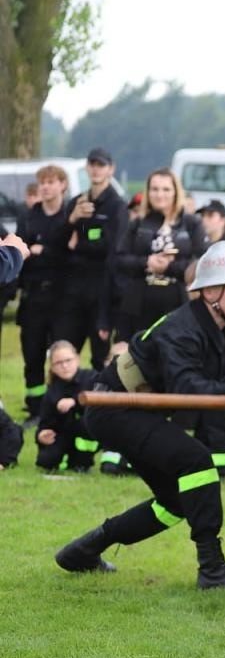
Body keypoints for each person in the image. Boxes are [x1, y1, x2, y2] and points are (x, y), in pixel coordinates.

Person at [54, 241, 225, 587]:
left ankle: (86, 549)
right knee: (198, 462)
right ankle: (212, 569)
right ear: (210, 293)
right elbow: (187, 384)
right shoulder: (181, 328)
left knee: (174, 503)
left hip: (140, 410)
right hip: (113, 408)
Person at [109, 168, 204, 350]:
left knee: (176, 354)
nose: (160, 194)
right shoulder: (137, 223)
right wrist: (147, 262)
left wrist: (168, 267)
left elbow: (200, 262)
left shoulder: (191, 223)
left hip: (179, 302)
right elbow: (119, 260)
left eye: (166, 189)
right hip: (139, 304)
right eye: (155, 189)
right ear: (148, 192)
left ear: (176, 192)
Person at [14, 164, 73, 422]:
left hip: (62, 299)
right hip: (34, 298)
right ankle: (36, 408)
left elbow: (72, 255)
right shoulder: (28, 218)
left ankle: (61, 405)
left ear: (63, 185)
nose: (45, 187)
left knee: (61, 354)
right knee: (33, 354)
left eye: (51, 182)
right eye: (42, 183)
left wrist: (45, 251)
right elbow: (21, 255)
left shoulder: (69, 218)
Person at [60, 146, 128, 369]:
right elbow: (60, 242)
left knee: (100, 354)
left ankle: (101, 401)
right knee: (67, 348)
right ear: (87, 167)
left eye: (101, 165)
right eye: (93, 165)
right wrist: (73, 219)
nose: (96, 170)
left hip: (101, 290)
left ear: (111, 169)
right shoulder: (77, 203)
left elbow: (111, 245)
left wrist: (78, 245)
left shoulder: (117, 206)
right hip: (74, 288)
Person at [35, 340, 98, 473]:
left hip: (90, 432)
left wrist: (76, 402)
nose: (64, 366)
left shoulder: (91, 378)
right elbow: (45, 422)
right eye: (59, 363)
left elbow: (99, 404)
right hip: (64, 434)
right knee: (46, 460)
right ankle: (66, 461)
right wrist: (41, 435)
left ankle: (83, 462)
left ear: (77, 360)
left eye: (68, 360)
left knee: (84, 426)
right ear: (52, 367)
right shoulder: (52, 391)